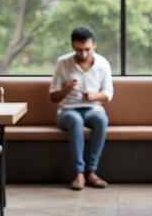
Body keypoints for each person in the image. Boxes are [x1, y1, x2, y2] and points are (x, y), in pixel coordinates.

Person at [49, 25, 114, 190]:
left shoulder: (103, 64)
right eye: (79, 50)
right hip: (67, 110)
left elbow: (108, 93)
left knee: (101, 119)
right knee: (75, 120)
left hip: (93, 108)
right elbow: (52, 97)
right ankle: (79, 173)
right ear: (73, 46)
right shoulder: (63, 63)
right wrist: (67, 88)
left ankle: (91, 172)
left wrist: (94, 96)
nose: (83, 54)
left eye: (87, 49)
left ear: (95, 45)